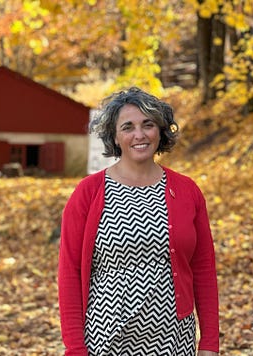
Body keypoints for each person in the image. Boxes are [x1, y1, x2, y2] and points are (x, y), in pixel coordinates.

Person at [58, 87, 219, 355]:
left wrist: (210, 344)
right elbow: (69, 274)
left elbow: (203, 269)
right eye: (128, 127)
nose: (139, 135)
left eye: (148, 125)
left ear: (161, 130)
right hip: (106, 339)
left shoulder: (187, 191)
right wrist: (76, 348)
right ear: (115, 136)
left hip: (173, 339)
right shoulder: (89, 193)